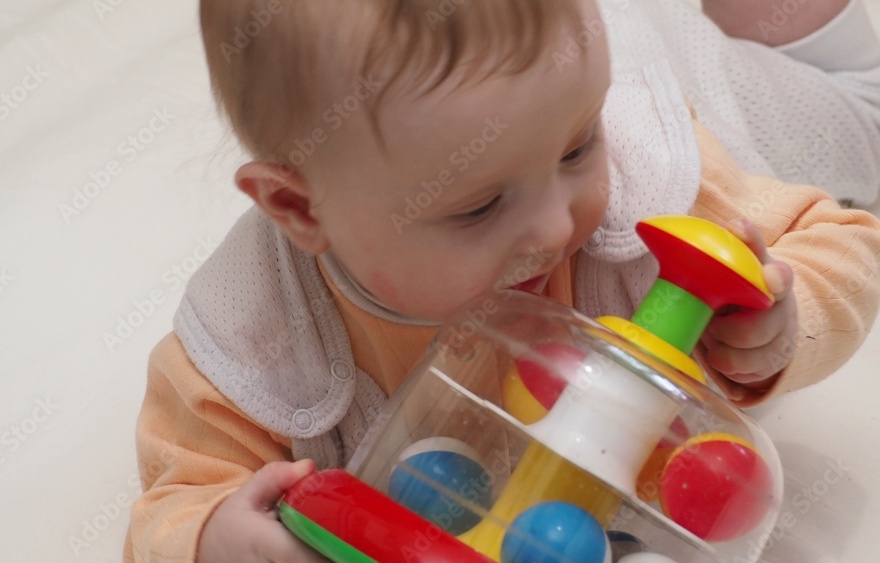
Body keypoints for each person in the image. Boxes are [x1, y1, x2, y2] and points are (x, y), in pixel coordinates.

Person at [125, 0, 880, 561]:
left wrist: (779, 323)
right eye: (480, 203)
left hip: (690, 69)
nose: (556, 228)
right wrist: (217, 539)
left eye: (576, 149)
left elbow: (845, 242)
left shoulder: (640, 164)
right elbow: (176, 501)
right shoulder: (257, 333)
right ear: (298, 206)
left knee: (865, 116)